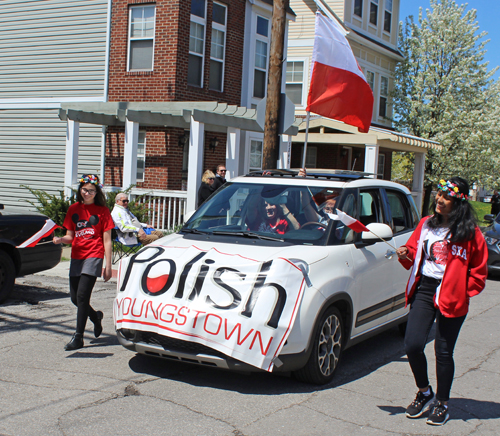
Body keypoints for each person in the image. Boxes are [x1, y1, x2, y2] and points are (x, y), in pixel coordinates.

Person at [396, 177, 487, 426]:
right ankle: (425, 392)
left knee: (443, 352)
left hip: (452, 296)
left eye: (446, 198)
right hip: (424, 289)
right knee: (412, 344)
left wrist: (463, 291)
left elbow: (479, 271)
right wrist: (405, 253)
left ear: (459, 202)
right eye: (439, 195)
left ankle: (443, 403)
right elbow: (414, 252)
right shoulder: (426, 224)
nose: (439, 200)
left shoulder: (470, 233)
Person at [53, 174, 114, 351]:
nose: (87, 193)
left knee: (82, 296)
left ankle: (78, 337)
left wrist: (108, 266)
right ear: (80, 190)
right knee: (75, 298)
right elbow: (70, 236)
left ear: (97, 192)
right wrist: (59, 240)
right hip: (77, 256)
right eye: (85, 190)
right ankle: (95, 317)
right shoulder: (73, 209)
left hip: (94, 255)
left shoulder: (103, 211)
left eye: (91, 191)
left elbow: (108, 240)